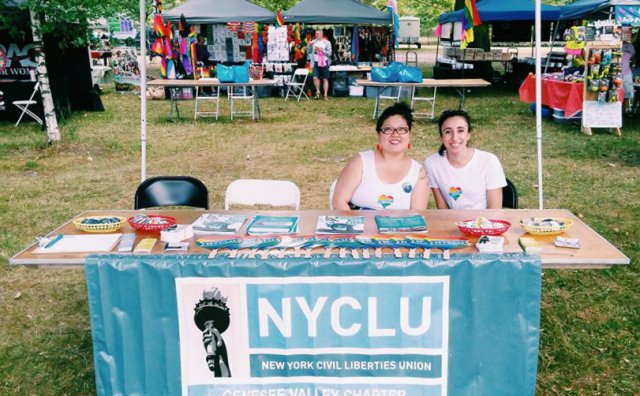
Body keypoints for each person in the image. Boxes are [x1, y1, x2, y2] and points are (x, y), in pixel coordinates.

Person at [332, 103, 429, 210]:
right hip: (357, 225)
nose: (395, 134)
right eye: (388, 129)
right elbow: (339, 201)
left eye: (402, 129)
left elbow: (417, 216)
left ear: (409, 135)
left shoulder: (419, 172)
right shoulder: (361, 162)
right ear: (379, 135)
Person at [425, 110, 506, 210]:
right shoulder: (432, 164)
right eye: (448, 132)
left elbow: (495, 210)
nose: (454, 138)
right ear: (441, 137)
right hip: (452, 222)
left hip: (484, 223)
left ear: (468, 134)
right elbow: (442, 208)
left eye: (460, 130)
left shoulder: (489, 161)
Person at [307, 29, 332, 100]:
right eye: (316, 34)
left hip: (324, 62)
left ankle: (325, 95)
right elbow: (308, 52)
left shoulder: (327, 42)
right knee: (315, 77)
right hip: (315, 62)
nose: (316, 35)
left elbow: (330, 53)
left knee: (325, 79)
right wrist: (309, 45)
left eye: (318, 34)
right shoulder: (313, 42)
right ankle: (318, 92)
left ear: (322, 34)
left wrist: (322, 50)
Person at [622, 35, 636, 112]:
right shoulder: (614, 44)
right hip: (615, 72)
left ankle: (625, 110)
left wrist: (633, 66)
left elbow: (633, 57)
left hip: (627, 72)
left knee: (627, 93)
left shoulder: (630, 46)